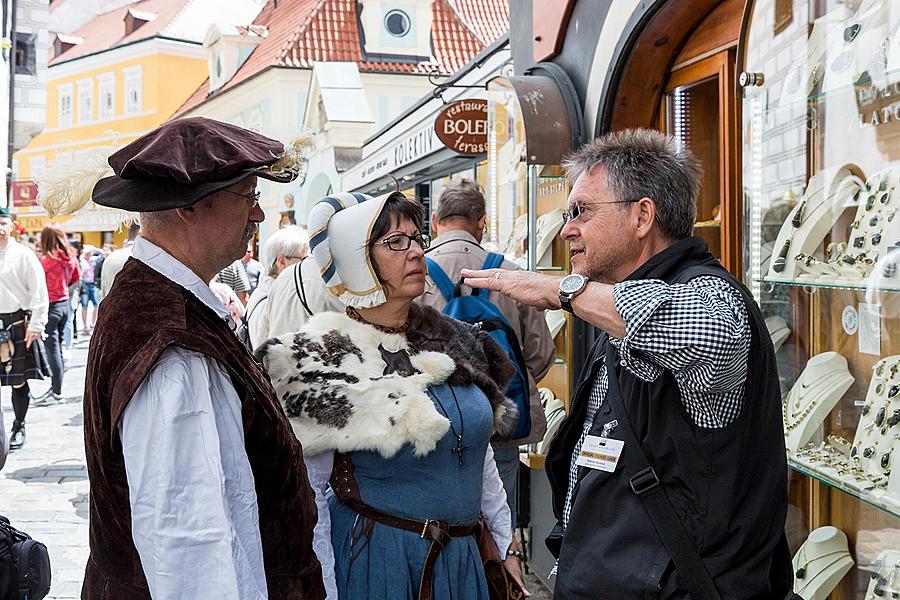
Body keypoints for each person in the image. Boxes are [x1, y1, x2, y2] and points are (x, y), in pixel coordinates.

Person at [462, 129, 793, 599]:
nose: (567, 228)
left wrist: (562, 291)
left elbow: (707, 331)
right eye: (566, 214)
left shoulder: (709, 293)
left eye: (581, 211)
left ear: (642, 216)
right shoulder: (615, 307)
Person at [38, 117, 324, 599]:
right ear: (191, 207)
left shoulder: (164, 307)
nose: (258, 216)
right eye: (249, 197)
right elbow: (193, 546)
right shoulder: (174, 343)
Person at [256, 191, 525, 600]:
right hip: (377, 564)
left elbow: (479, 454)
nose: (416, 252)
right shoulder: (318, 359)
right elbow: (308, 497)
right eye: (396, 242)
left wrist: (506, 545)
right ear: (357, 261)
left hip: (463, 560)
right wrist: (322, 589)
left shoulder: (456, 340)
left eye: (418, 238)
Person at [420, 179, 555, 561]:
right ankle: (499, 576)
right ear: (481, 222)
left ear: (434, 221)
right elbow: (541, 356)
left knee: (438, 524)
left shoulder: (415, 274)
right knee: (500, 523)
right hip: (502, 426)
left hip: (433, 422)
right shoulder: (512, 275)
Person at [0, 207, 49, 450]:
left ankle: (19, 425)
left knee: (17, 380)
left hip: (17, 321)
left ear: (11, 226)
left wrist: (38, 323)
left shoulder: (23, 254)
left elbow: (39, 290)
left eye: (2, 223)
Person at [261, 234, 344, 341]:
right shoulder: (330, 278)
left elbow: (262, 336)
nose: (305, 261)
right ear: (281, 261)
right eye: (303, 258)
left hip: (279, 355)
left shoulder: (280, 280)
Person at [36, 223, 80, 405]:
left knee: (52, 350)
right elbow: (76, 278)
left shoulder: (46, 261)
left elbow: (36, 285)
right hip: (64, 305)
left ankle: (56, 391)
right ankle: (57, 388)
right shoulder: (70, 257)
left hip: (51, 306)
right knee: (58, 348)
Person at [245, 225, 308, 349]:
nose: (308, 266)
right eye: (304, 260)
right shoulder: (277, 300)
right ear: (282, 262)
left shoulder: (265, 292)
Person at [99, 223, 140, 300]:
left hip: (110, 308)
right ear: (140, 233)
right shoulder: (142, 257)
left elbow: (103, 290)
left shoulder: (111, 257)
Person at [79, 246, 100, 334]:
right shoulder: (82, 260)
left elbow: (102, 253)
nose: (88, 255)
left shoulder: (94, 260)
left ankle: (92, 324)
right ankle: (85, 326)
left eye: (89, 253)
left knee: (96, 305)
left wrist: (93, 248)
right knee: (84, 306)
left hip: (93, 284)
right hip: (84, 284)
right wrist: (84, 253)